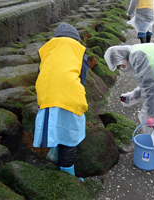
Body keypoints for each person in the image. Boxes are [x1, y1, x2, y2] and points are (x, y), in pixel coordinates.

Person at [104, 43, 154, 163]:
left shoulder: (138, 57)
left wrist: (151, 117)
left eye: (118, 65)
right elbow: (146, 83)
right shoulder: (134, 55)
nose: (120, 68)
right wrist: (131, 97)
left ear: (121, 57)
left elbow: (151, 90)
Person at [33, 23, 89, 181]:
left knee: (55, 126)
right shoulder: (79, 49)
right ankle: (68, 177)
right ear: (76, 39)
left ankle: (54, 154)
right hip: (69, 98)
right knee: (69, 139)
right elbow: (82, 78)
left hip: (47, 97)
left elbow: (41, 73)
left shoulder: (47, 49)